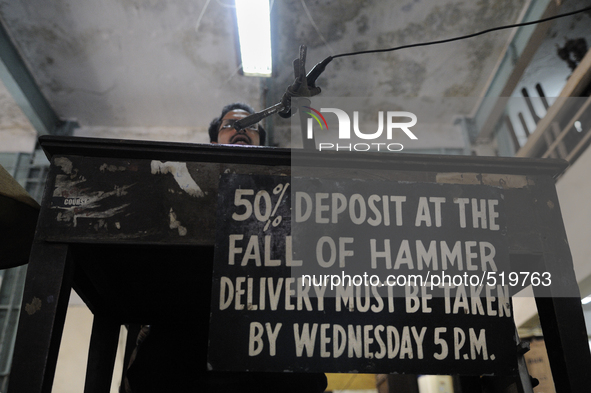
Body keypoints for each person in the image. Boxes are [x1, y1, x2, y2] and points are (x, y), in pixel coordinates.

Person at [123, 103, 327, 393]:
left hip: (266, 318)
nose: (243, 129)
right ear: (213, 141)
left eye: (253, 126)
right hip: (194, 316)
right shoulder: (181, 184)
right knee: (155, 366)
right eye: (231, 125)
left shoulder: (285, 188)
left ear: (262, 144)